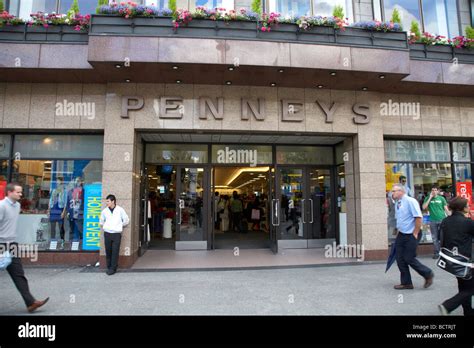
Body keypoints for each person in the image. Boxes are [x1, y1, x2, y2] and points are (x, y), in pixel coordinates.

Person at [0, 182, 49, 312]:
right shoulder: (2, 206)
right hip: (1, 245)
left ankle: (30, 303)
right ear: (9, 192)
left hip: (12, 244)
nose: (21, 194)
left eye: (21, 192)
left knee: (18, 274)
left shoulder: (17, 206)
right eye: (18, 192)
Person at [391, 183, 434, 290]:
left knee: (409, 258)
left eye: (394, 191)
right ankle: (406, 283)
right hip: (402, 233)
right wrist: (397, 231)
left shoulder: (411, 201)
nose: (392, 193)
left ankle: (427, 273)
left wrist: (415, 232)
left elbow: (418, 218)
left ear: (401, 191)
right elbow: (401, 219)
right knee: (400, 258)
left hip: (412, 233)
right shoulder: (398, 203)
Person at [438, 197, 474, 316]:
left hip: (451, 260)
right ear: (463, 208)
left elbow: (440, 238)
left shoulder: (445, 221)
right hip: (466, 261)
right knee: (469, 289)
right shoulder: (467, 222)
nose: (469, 207)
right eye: (467, 205)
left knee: (464, 287)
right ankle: (447, 306)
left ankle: (468, 311)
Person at [99, 194, 129, 275]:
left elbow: (126, 220)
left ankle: (113, 268)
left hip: (116, 234)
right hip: (107, 233)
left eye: (108, 201)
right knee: (108, 251)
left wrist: (119, 225)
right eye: (106, 201)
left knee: (115, 251)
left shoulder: (120, 210)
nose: (107, 203)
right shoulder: (104, 211)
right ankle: (109, 267)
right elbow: (101, 222)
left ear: (113, 201)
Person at [422, 185, 449, 259]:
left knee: (442, 237)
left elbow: (446, 208)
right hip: (432, 220)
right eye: (432, 190)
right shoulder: (428, 198)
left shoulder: (442, 198)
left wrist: (450, 216)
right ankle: (436, 253)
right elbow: (424, 207)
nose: (434, 191)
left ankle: (444, 253)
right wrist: (430, 198)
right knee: (434, 238)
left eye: (435, 190)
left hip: (442, 219)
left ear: (438, 191)